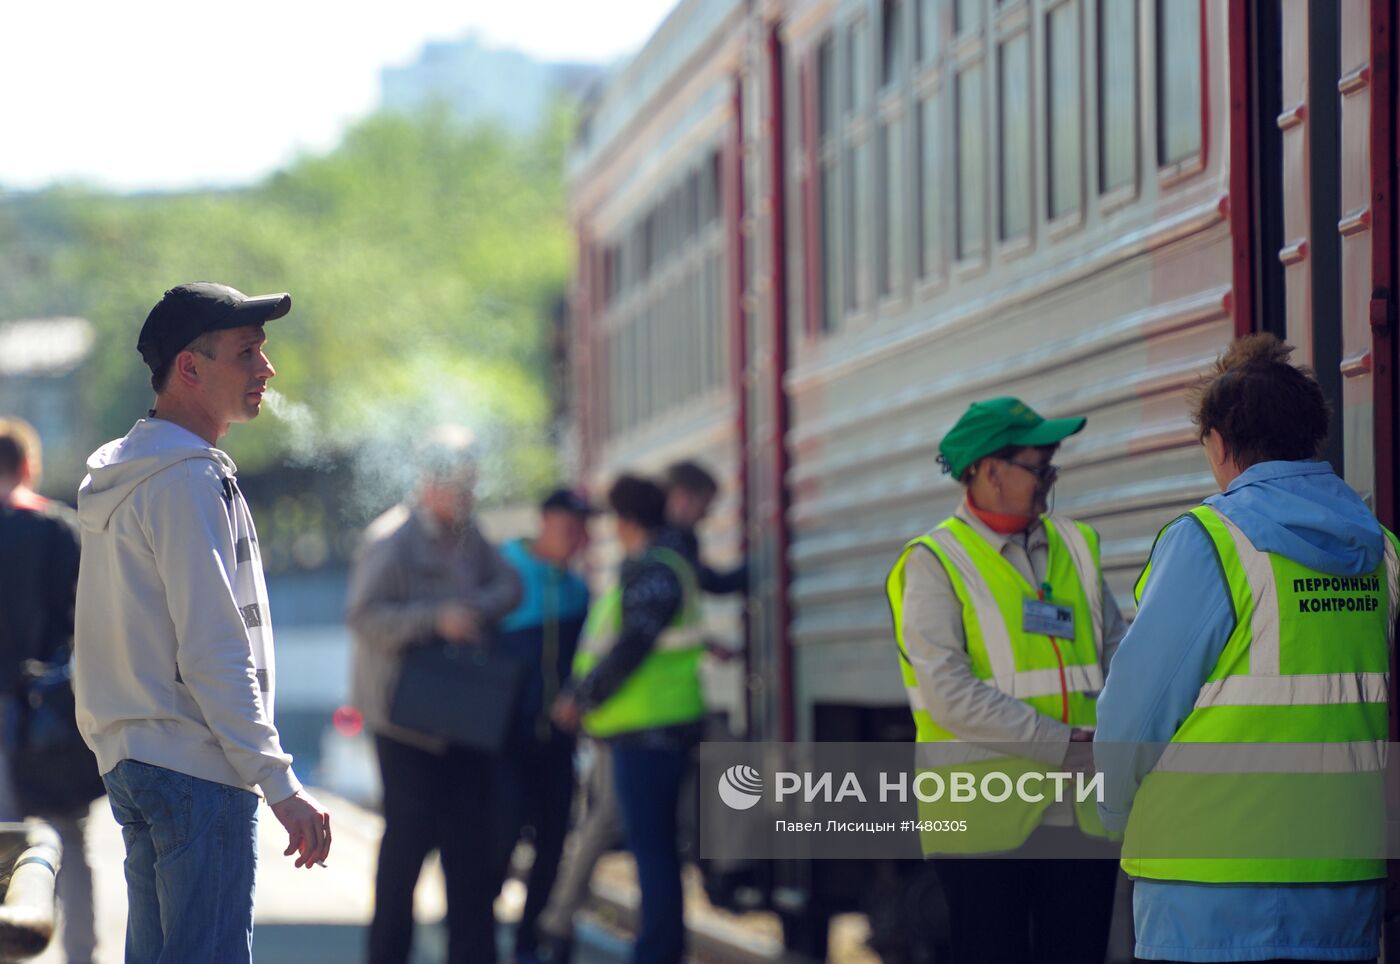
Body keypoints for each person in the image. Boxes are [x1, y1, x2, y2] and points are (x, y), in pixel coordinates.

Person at [1095, 334, 1394, 964]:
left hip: (1206, 889)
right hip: (1341, 880)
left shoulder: (1210, 542)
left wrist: (1111, 808)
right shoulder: (1379, 551)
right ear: (1310, 437)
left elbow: (1139, 708)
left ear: (1220, 444)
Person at [73, 283, 331, 964]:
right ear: (189, 367)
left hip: (136, 759)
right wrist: (279, 782)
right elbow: (215, 650)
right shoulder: (184, 481)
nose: (266, 369)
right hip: (194, 766)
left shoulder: (135, 475)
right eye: (247, 353)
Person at [884, 396, 1125, 964]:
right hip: (984, 820)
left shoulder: (1075, 547)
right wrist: (1058, 745)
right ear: (989, 471)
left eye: (1052, 468)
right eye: (1039, 467)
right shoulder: (933, 562)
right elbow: (947, 692)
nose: (1049, 481)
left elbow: (1119, 656)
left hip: (1080, 813)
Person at [536, 461, 744, 961]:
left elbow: (631, 646)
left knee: (652, 849)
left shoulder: (654, 570)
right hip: (647, 726)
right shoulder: (663, 565)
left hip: (649, 728)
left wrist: (580, 698)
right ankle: (655, 947)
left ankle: (656, 951)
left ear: (627, 521)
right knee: (654, 846)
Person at [347, 424, 522, 964]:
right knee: (405, 851)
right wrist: (435, 619)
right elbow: (364, 616)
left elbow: (512, 586)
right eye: (457, 486)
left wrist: (476, 610)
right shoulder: (391, 540)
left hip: (464, 722)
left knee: (472, 855)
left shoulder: (473, 536)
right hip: (406, 726)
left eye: (471, 487)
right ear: (429, 483)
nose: (466, 497)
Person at [0, 417, 98, 964]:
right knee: (71, 843)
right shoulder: (60, 529)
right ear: (29, 466)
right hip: (53, 715)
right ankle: (83, 955)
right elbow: (88, 623)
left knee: (0, 847)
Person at [493, 488, 592, 962]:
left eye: (583, 530)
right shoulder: (505, 571)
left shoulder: (577, 590)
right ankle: (478, 937)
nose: (578, 538)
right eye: (569, 527)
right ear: (545, 520)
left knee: (553, 843)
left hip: (557, 740)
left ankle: (530, 944)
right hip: (504, 740)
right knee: (501, 840)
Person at [658, 460, 746, 595]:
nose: (705, 515)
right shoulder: (672, 543)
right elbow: (708, 581)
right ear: (682, 498)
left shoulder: (647, 536)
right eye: (704, 505)